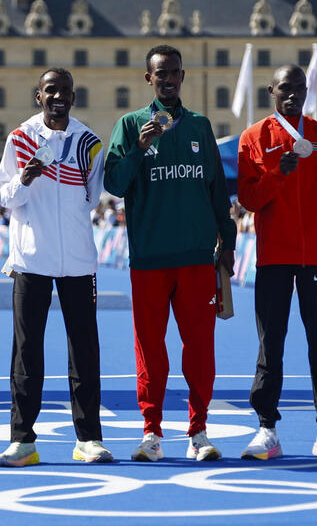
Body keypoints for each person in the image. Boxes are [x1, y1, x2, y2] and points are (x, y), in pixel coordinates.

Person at [104, 44, 236, 462]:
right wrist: (140, 149)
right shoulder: (129, 125)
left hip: (197, 258)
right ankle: (151, 432)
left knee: (199, 348)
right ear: (149, 79)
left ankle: (199, 431)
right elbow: (114, 184)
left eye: (174, 73)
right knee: (150, 349)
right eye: (160, 74)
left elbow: (217, 191)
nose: (168, 79)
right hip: (149, 260)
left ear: (182, 76)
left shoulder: (200, 126)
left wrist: (227, 242)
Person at [235, 64, 317, 461]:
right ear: (271, 90)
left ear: (307, 91)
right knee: (270, 344)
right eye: (284, 87)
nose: (292, 94)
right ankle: (267, 429)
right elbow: (249, 200)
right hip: (274, 257)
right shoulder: (254, 138)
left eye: (299, 88)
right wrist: (277, 173)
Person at [0, 68, 111, 467]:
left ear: (73, 98)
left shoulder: (89, 142)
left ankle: (89, 439)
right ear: (38, 96)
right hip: (31, 261)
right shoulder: (20, 139)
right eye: (50, 91)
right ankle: (22, 441)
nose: (58, 96)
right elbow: (3, 195)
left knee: (84, 351)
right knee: (27, 352)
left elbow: (92, 197)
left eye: (65, 91)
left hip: (78, 261)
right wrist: (24, 180)